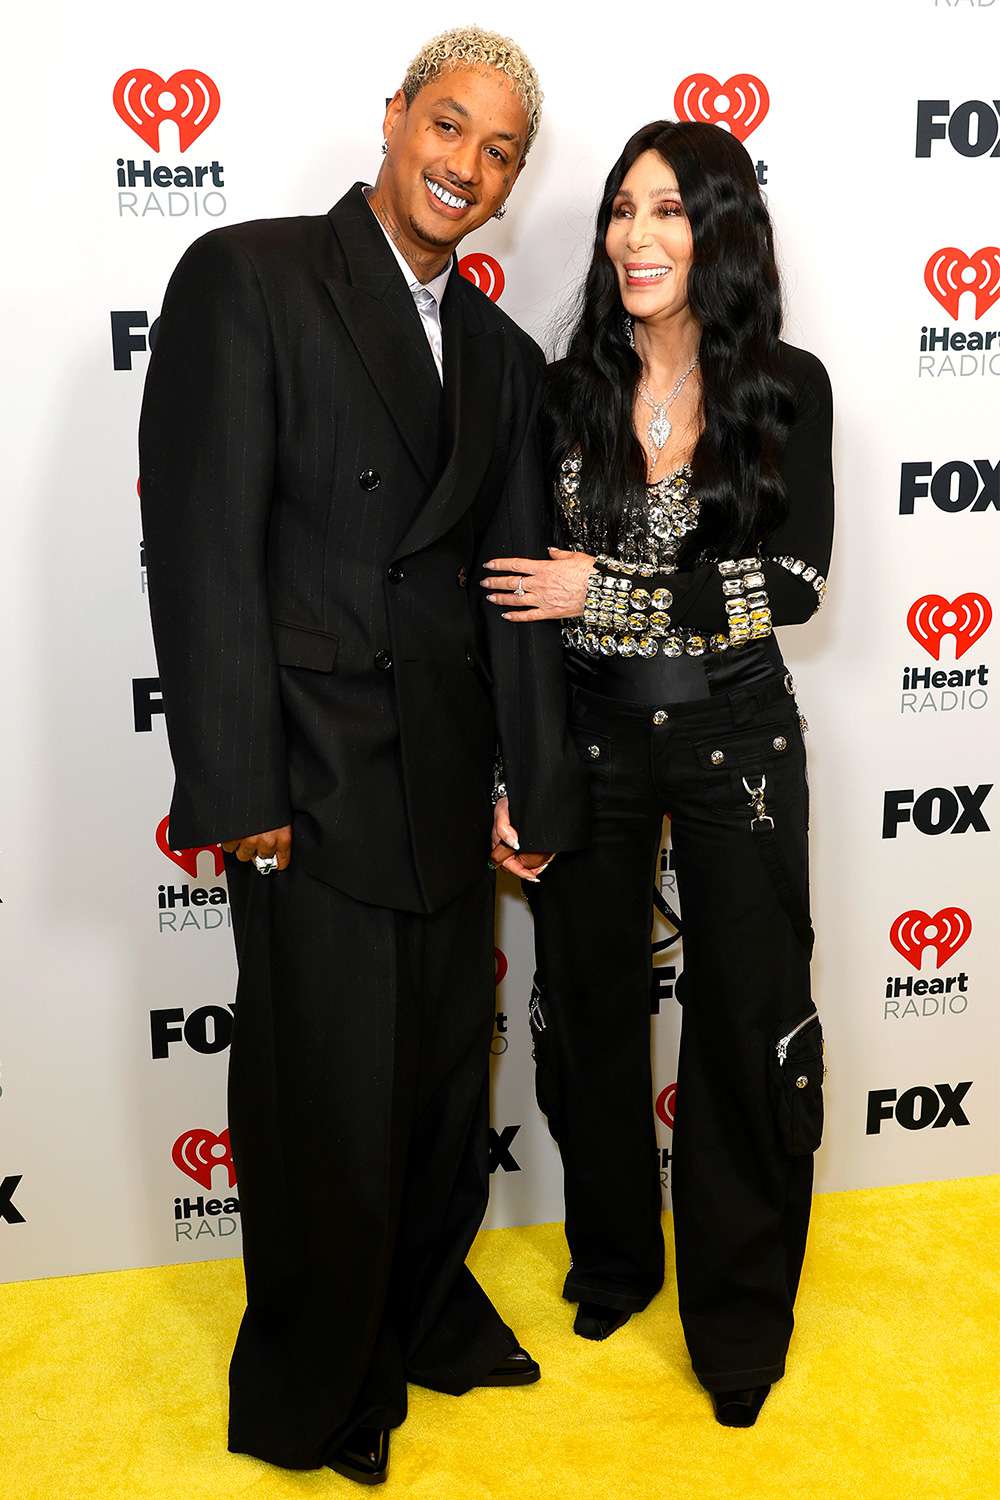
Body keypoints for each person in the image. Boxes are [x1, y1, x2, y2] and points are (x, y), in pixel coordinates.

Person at [139, 26, 588, 1483]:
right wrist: (237, 788)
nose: (466, 165)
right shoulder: (251, 276)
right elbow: (200, 551)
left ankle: (417, 1318)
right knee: (320, 1098)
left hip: (451, 787)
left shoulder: (508, 357)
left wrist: (533, 780)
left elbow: (514, 584)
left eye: (498, 150)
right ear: (395, 122)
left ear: (515, 182)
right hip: (310, 787)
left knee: (439, 1092)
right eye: (448, 128)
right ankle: (317, 1388)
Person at [482, 119, 834, 1429]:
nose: (636, 235)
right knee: (583, 1017)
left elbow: (787, 587)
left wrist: (613, 587)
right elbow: (523, 601)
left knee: (748, 1021)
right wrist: (512, 773)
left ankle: (739, 1322)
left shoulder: (789, 383)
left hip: (739, 735)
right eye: (623, 210)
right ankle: (616, 1261)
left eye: (671, 212)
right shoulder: (564, 391)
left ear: (723, 229)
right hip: (584, 731)